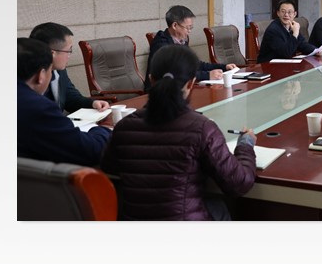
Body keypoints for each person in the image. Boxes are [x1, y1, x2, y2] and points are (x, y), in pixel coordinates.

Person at [101, 45, 257, 220]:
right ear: (191, 83)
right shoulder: (202, 128)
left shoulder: (124, 126)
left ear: (151, 80)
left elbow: (109, 167)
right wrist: (245, 145)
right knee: (220, 208)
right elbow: (238, 183)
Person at [17, 38, 111, 166]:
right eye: (50, 71)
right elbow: (91, 151)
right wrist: (102, 130)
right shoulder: (38, 108)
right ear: (41, 75)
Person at [28, 22, 110, 114]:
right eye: (68, 50)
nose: (69, 56)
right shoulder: (27, 78)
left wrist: (92, 103)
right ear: (52, 54)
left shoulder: (58, 70)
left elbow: (70, 98)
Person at [146, 5, 236, 86]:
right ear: (175, 25)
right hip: (160, 91)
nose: (189, 31)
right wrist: (208, 75)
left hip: (178, 88)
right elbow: (176, 73)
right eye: (188, 28)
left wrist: (223, 67)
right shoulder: (161, 44)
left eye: (191, 28)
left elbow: (196, 64)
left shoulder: (181, 41)